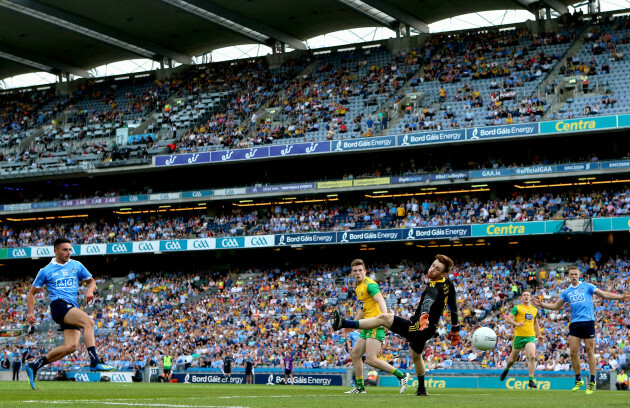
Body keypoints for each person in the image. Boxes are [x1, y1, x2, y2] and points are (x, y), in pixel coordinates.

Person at [332, 254, 460, 396]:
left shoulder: (432, 288)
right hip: (429, 328)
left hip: (418, 326)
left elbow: (428, 301)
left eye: (436, 269)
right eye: (432, 265)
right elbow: (453, 305)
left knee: (384, 319)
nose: (431, 270)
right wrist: (455, 328)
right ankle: (422, 389)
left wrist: (424, 316)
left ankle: (343, 322)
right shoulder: (448, 283)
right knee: (416, 356)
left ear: (443, 273)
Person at [25, 237, 115, 390]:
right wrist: (31, 313)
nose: (68, 252)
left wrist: (89, 290)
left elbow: (92, 281)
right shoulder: (46, 270)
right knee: (89, 323)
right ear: (56, 251)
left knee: (71, 346)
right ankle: (95, 361)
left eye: (69, 249)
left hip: (70, 307)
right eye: (65, 249)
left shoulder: (76, 265)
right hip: (59, 306)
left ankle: (34, 365)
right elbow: (31, 293)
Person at [533, 265, 630, 394]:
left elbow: (604, 295)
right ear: (568, 276)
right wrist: (542, 304)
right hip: (575, 323)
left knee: (590, 351)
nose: (573, 276)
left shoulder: (588, 286)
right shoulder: (566, 292)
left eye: (575, 274)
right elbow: (556, 306)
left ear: (579, 275)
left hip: (588, 322)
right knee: (573, 352)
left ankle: (592, 381)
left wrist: (621, 297)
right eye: (571, 274)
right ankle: (578, 379)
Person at [340, 259, 410, 394]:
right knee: (355, 355)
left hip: (376, 324)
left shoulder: (370, 285)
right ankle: (360, 388)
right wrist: (352, 324)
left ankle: (402, 375)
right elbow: (363, 308)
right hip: (367, 325)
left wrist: (385, 318)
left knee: (371, 360)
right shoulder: (358, 287)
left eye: (360, 270)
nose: (358, 272)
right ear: (352, 273)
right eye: (355, 270)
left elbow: (381, 300)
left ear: (365, 271)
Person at [500, 291, 541, 389]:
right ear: (521, 297)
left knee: (532, 356)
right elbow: (508, 319)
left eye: (528, 295)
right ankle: (506, 369)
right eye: (524, 295)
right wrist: (517, 324)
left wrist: (539, 335)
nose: (526, 296)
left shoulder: (534, 309)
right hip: (519, 337)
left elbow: (535, 323)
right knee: (512, 359)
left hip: (530, 336)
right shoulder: (517, 308)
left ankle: (531, 380)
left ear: (530, 297)